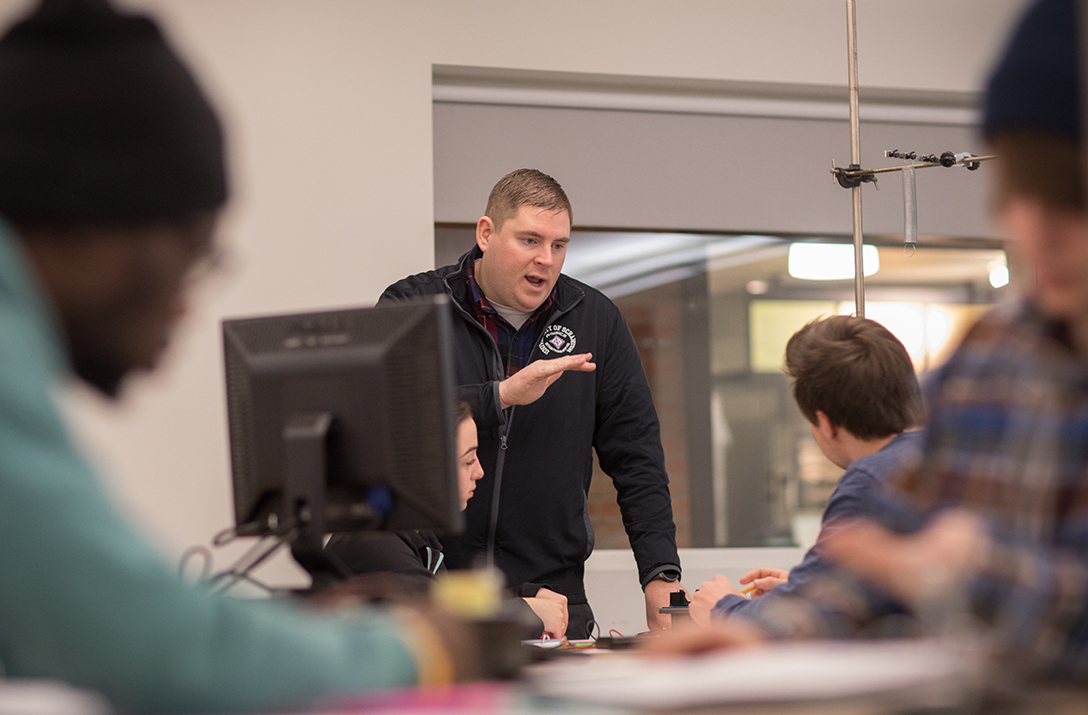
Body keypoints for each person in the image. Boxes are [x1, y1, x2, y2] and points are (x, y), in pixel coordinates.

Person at [0, 1, 462, 712]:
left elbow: (42, 622)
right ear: (93, 229)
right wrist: (417, 649)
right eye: (191, 248)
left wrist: (271, 631)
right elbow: (158, 651)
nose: (188, 295)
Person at [664, 0, 1088, 683]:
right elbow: (870, 574)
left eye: (1071, 196)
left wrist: (967, 578)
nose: (1037, 234)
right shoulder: (996, 359)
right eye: (1018, 196)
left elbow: (944, 577)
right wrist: (758, 634)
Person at [381, 169, 683, 638]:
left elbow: (637, 457)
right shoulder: (413, 304)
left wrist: (663, 576)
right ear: (486, 234)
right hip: (443, 596)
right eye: (529, 240)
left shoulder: (596, 319)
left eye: (558, 245)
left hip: (555, 601)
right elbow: (391, 420)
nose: (546, 260)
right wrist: (500, 396)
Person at [685, 316, 924, 627]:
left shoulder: (868, 481)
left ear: (825, 424)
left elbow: (797, 628)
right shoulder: (938, 458)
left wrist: (723, 607)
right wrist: (800, 588)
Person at [326, 401, 571, 638]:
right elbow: (443, 624)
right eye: (468, 460)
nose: (480, 472)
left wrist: (524, 594)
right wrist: (523, 611)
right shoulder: (372, 541)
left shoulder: (418, 535)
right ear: (426, 468)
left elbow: (446, 600)